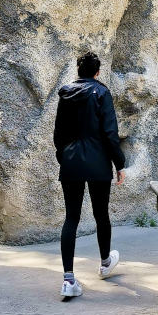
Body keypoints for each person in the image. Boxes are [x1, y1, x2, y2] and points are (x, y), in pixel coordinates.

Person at [54, 51, 126, 301]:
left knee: (71, 218)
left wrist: (64, 158)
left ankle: (68, 279)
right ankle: (105, 263)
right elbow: (110, 133)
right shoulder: (102, 93)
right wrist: (120, 164)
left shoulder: (66, 93)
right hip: (98, 164)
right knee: (101, 214)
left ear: (78, 70)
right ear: (97, 72)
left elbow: (58, 134)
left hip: (71, 163)